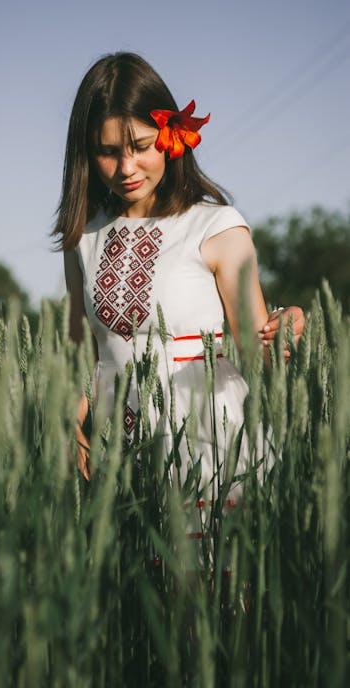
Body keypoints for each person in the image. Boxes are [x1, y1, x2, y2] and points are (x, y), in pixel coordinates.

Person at [54, 52, 304, 506]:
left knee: (209, 575)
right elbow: (81, 353)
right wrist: (73, 431)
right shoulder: (83, 237)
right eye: (108, 152)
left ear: (171, 138)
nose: (126, 168)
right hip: (117, 454)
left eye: (141, 146)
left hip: (209, 440)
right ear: (87, 153)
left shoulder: (217, 226)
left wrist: (282, 329)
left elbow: (254, 347)